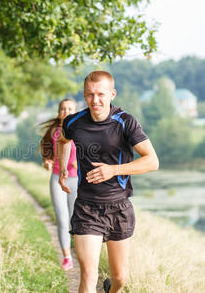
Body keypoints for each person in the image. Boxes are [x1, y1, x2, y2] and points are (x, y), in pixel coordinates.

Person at [57, 71, 159, 293]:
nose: (95, 101)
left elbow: (152, 161)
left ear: (112, 94)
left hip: (119, 207)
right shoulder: (73, 122)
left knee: (120, 278)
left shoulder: (125, 122)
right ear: (84, 95)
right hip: (87, 207)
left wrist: (113, 170)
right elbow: (63, 141)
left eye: (101, 94)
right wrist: (63, 168)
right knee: (88, 274)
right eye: (90, 95)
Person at [39, 98, 79, 271]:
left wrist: (81, 163)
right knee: (62, 219)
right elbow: (47, 153)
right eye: (63, 108)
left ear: (76, 112)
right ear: (58, 113)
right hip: (57, 178)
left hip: (76, 180)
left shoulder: (81, 132)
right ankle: (67, 257)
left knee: (75, 220)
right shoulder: (54, 133)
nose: (66, 111)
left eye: (70, 108)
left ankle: (81, 254)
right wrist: (47, 161)